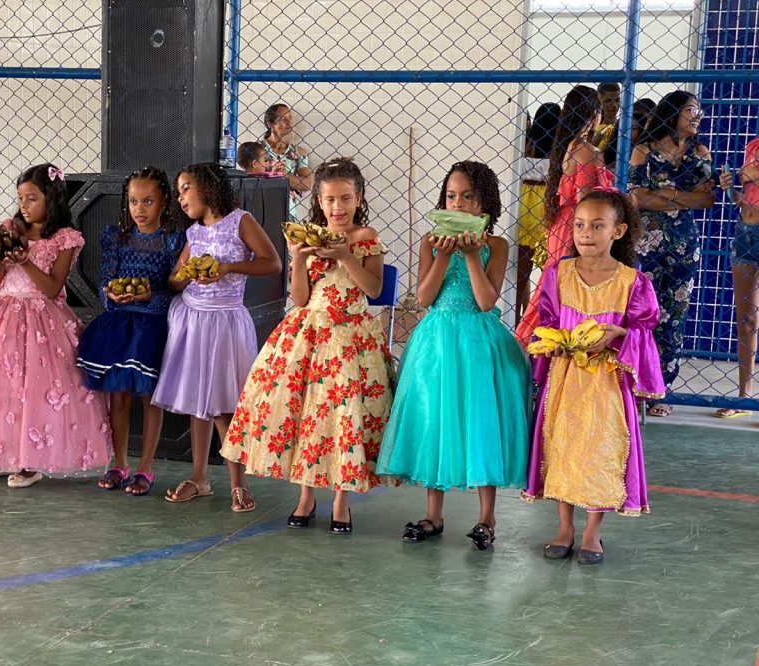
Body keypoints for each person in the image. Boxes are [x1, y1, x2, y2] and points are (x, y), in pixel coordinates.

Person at [222, 158, 394, 534]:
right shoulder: (309, 236)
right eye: (330, 199)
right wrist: (299, 258)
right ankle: (306, 496)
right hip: (309, 334)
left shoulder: (366, 236)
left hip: (351, 338)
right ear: (319, 200)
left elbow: (373, 289)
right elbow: (300, 299)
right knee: (307, 415)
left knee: (345, 416)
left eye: (345, 198)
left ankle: (341, 499)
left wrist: (346, 256)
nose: (337, 207)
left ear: (358, 198)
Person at [377, 161, 531, 551]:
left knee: (481, 421)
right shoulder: (430, 241)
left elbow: (485, 301)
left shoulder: (496, 246)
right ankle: (434, 514)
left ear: (485, 204)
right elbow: (425, 297)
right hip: (436, 343)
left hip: (478, 342)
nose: (458, 204)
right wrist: (444, 256)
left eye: (468, 197)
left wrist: (471, 255)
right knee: (436, 419)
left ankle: (486, 517)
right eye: (451, 196)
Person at [0, 163, 111, 488]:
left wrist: (25, 261)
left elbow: (52, 288)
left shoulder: (64, 238)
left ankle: (30, 461)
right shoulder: (10, 228)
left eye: (32, 198)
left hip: (43, 320)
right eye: (21, 198)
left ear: (52, 198)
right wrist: (0, 259)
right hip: (1, 315)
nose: (24, 205)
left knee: (34, 388)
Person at [523, 189, 663, 565]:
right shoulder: (558, 274)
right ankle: (565, 527)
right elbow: (548, 321)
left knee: (600, 450)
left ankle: (592, 531)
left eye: (597, 226)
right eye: (580, 225)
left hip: (607, 383)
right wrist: (550, 345)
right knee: (563, 447)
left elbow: (643, 331)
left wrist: (620, 335)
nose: (586, 233)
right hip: (566, 379)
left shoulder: (633, 282)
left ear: (618, 231)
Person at [152, 163, 281, 512]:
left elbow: (272, 263)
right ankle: (200, 478)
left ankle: (239, 483)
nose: (180, 198)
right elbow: (175, 279)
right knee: (199, 403)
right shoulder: (194, 233)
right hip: (193, 320)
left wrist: (227, 268)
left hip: (225, 321)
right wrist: (186, 275)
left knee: (224, 406)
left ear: (208, 187)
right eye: (178, 192)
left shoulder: (241, 221)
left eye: (186, 188)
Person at [76, 167, 187, 495]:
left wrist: (149, 296)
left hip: (153, 327)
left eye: (148, 201)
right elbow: (105, 279)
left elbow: (176, 290)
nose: (139, 209)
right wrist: (110, 295)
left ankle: (145, 467)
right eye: (134, 201)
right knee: (118, 398)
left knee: (152, 399)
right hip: (119, 326)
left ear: (164, 202)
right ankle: (120, 463)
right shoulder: (116, 236)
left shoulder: (174, 240)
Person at [629, 90, 716, 417]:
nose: (698, 116)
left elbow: (707, 200)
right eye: (691, 110)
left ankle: (660, 389)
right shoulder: (643, 150)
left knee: (674, 316)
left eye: (699, 111)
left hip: (684, 245)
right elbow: (637, 198)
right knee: (642, 312)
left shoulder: (700, 152)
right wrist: (684, 197)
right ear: (673, 112)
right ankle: (635, 384)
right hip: (646, 243)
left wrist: (667, 194)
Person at [517, 86, 612, 346]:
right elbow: (585, 200)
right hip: (577, 228)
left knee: (553, 288)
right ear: (594, 114)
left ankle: (540, 345)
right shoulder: (586, 151)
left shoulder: (568, 146)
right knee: (565, 289)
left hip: (564, 226)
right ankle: (547, 345)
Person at [715, 138, 759, 418]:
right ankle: (745, 396)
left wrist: (751, 174)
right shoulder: (753, 146)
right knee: (746, 320)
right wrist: (730, 186)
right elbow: (741, 196)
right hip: (745, 231)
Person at [516, 102, 561, 325]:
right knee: (547, 271)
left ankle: (516, 318)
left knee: (520, 272)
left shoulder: (525, 146)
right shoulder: (560, 151)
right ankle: (537, 319)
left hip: (524, 201)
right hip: (547, 204)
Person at [261, 104, 313, 221]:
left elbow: (306, 184)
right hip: (262, 208)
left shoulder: (298, 152)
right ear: (270, 124)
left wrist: (285, 176)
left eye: (290, 118)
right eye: (284, 119)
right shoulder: (258, 150)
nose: (289, 123)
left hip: (288, 212)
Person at [594, 82, 621, 168]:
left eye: (617, 100)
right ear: (599, 101)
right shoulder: (591, 125)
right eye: (608, 101)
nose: (614, 105)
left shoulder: (625, 125)